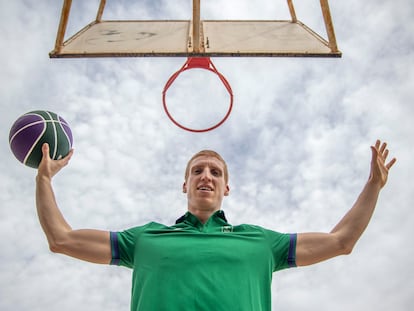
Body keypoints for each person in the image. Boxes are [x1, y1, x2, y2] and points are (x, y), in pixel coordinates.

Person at [35, 139, 396, 311]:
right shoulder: (145, 238)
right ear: (185, 185)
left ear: (226, 187)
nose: (205, 176)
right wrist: (45, 180)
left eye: (215, 172)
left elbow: (340, 241)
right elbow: (62, 239)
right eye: (197, 171)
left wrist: (373, 185)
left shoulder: (259, 242)